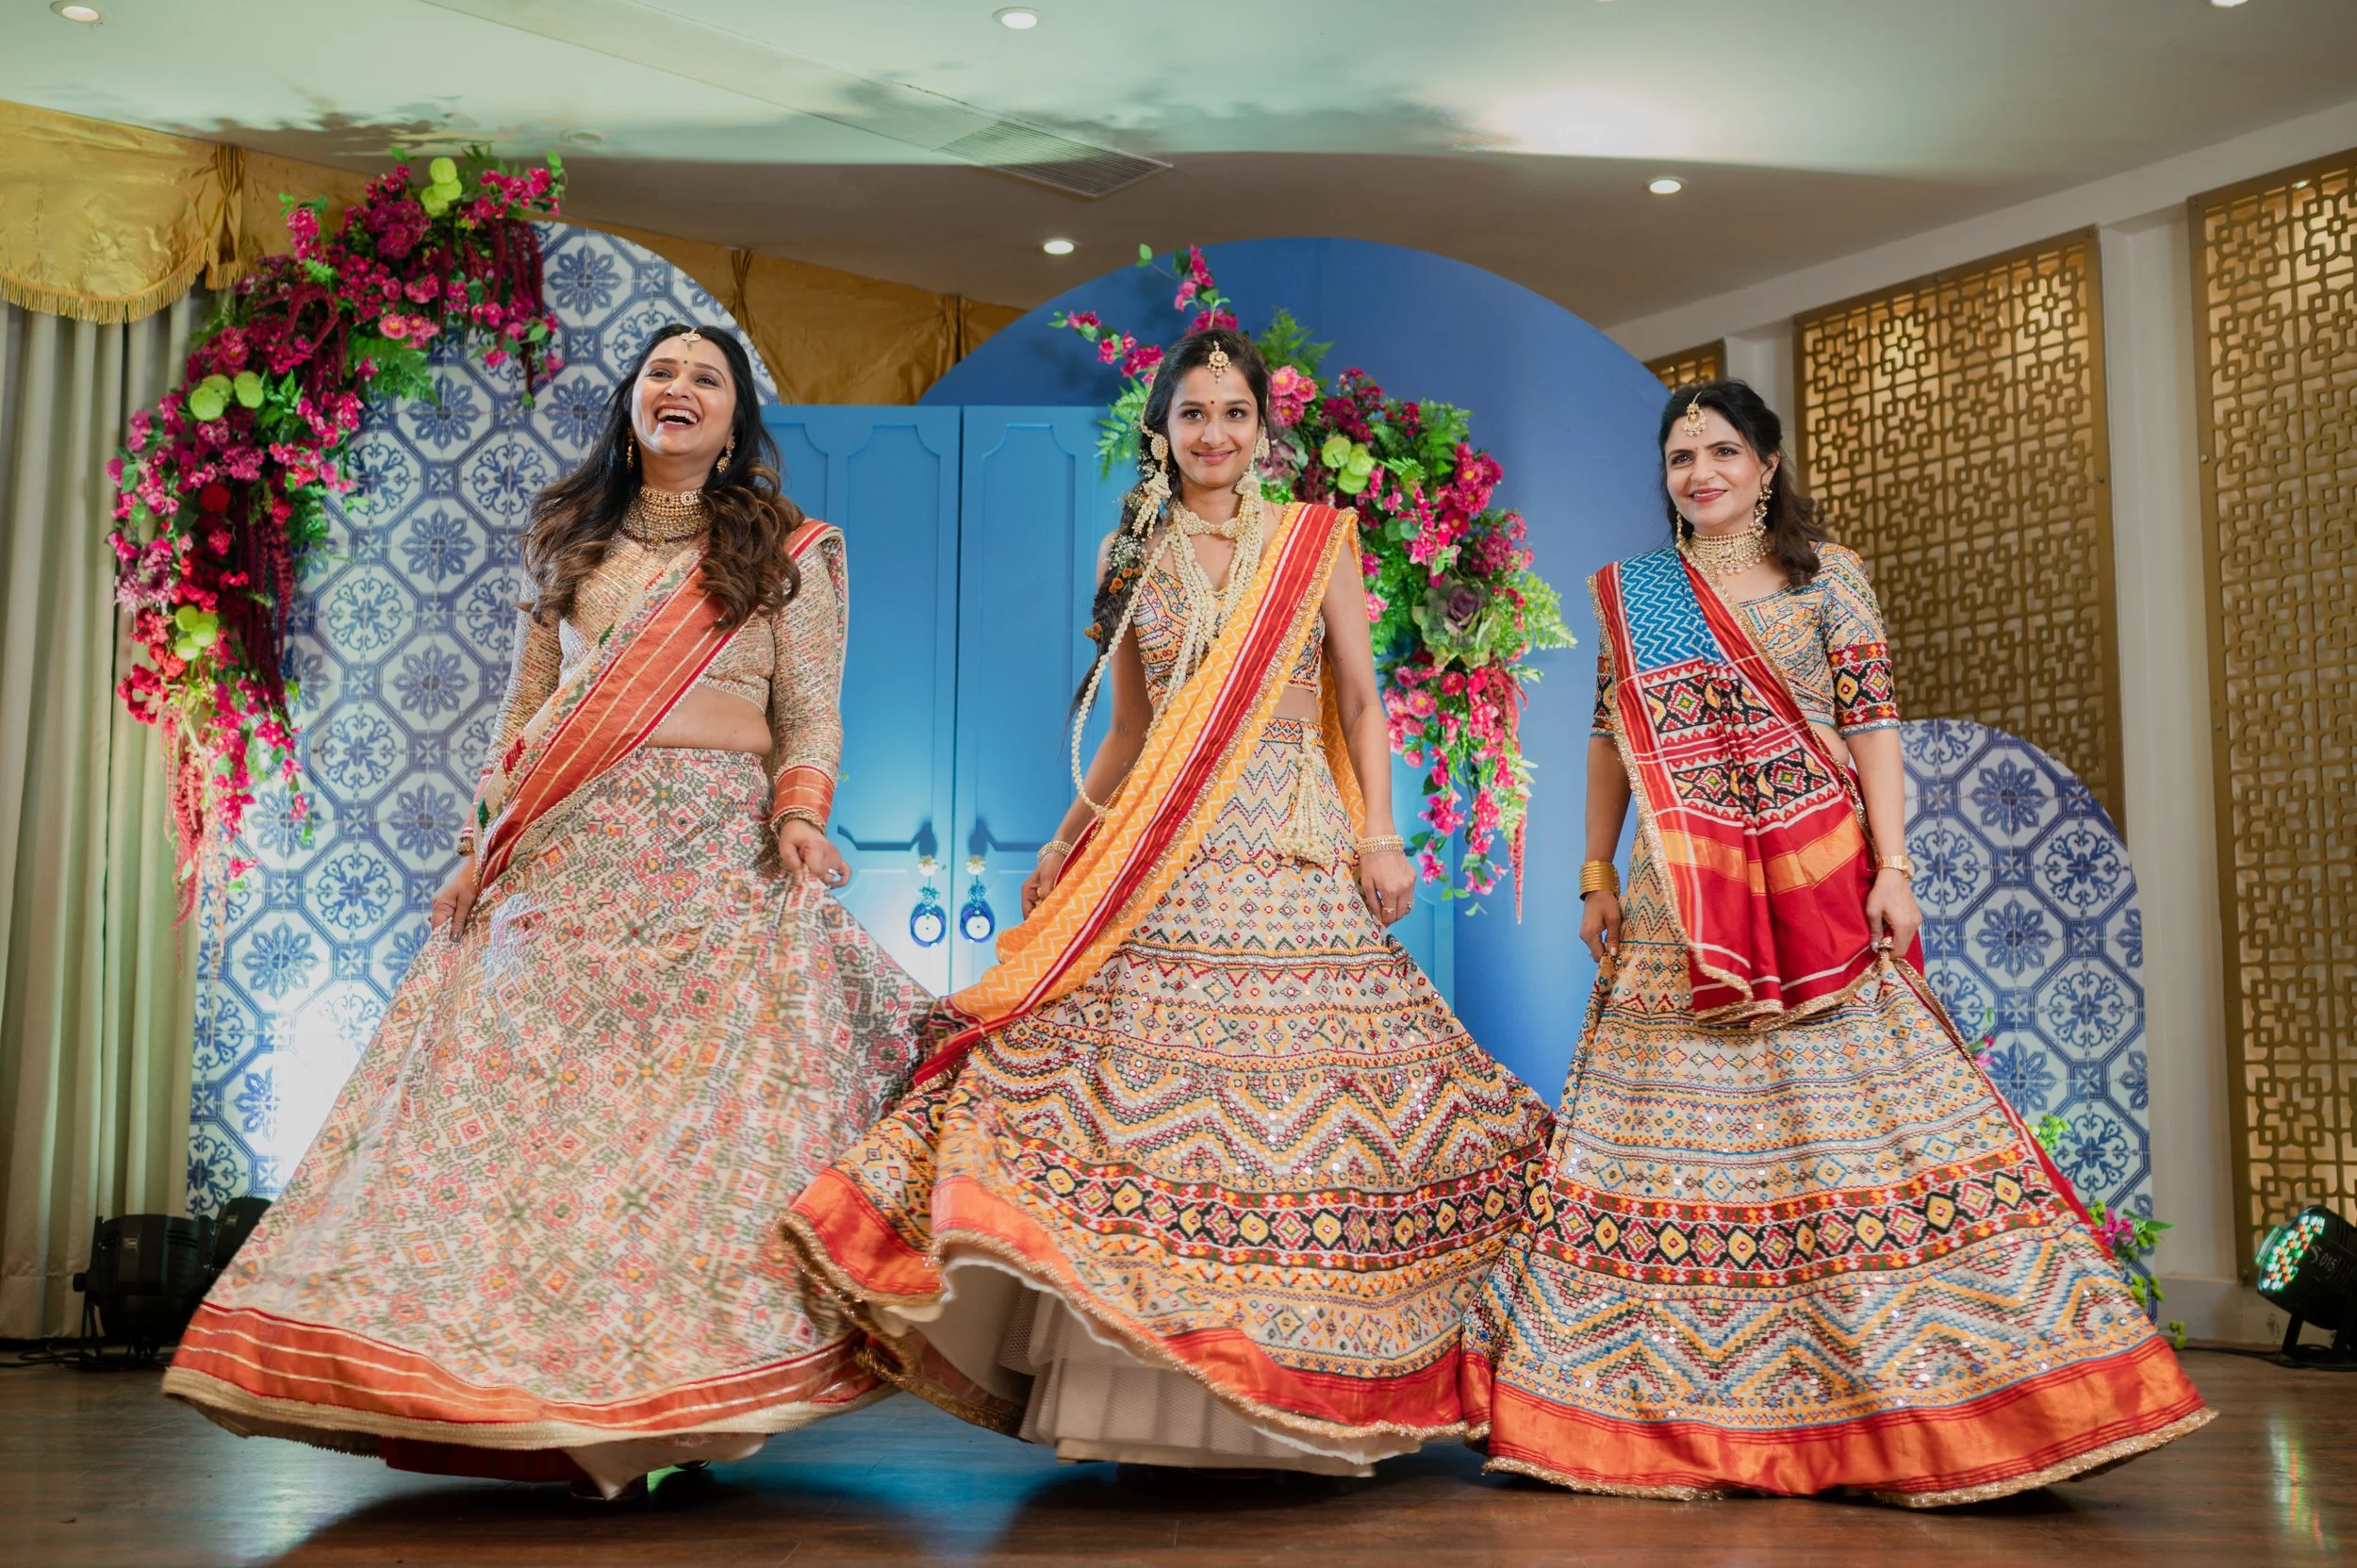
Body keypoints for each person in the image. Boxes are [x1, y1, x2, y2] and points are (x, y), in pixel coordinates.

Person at [163, 323, 936, 1498]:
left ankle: (667, 1402)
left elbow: (811, 711)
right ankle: (550, 1400)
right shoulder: (571, 538)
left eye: (705, 379)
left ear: (735, 423)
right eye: (661, 373)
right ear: (633, 402)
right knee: (545, 1143)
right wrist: (482, 847)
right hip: (570, 865)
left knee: (688, 1149)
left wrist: (796, 813)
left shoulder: (792, 551)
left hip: (716, 868)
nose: (678, 389)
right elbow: (525, 718)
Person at [784, 327, 1553, 1475]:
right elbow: (1137, 730)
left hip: (1290, 839)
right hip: (1167, 848)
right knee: (1145, 1089)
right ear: (1163, 428)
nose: (1213, 434)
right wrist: (1065, 838)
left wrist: (1381, 835)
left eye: (1233, 413)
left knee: (1312, 1100)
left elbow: (1357, 696)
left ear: (1262, 429)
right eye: (1192, 413)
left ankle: (1306, 1382)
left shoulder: (1313, 540)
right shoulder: (1130, 546)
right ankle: (1157, 1397)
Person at [1462, 379, 2212, 1505]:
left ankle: (1931, 1388)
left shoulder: (1829, 577)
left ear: (1767, 464)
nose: (1700, 472)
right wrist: (1590, 873)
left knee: (1863, 1128)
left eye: (1722, 450)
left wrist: (1894, 868)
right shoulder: (1636, 594)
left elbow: (1871, 724)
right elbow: (1611, 738)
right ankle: (1658, 1401)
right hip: (1680, 898)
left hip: (1817, 883)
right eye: (1680, 457)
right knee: (1669, 1140)